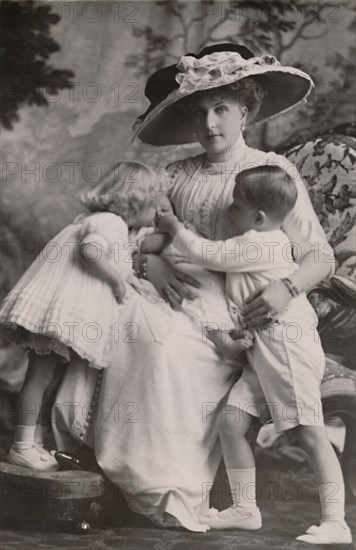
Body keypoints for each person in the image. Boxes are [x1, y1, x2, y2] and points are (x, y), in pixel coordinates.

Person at [51, 43, 337, 537]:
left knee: (160, 351)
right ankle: (82, 457)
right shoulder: (177, 174)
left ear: (245, 109)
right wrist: (152, 263)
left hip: (231, 313)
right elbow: (138, 234)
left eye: (222, 108)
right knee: (113, 317)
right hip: (166, 289)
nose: (210, 124)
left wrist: (287, 289)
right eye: (200, 112)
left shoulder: (270, 173)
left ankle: (155, 485)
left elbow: (320, 256)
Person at [157, 165, 352, 545]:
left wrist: (172, 227)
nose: (229, 209)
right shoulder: (261, 240)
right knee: (231, 423)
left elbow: (205, 252)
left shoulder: (257, 244)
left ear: (259, 218)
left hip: (287, 349)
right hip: (263, 350)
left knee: (309, 432)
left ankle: (336, 521)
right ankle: (245, 509)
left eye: (237, 204)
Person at [0, 161, 163, 471]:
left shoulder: (100, 221)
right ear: (136, 201)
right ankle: (21, 446)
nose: (157, 214)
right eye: (154, 206)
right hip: (59, 312)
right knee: (39, 376)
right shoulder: (111, 223)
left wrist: (131, 282)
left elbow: (116, 262)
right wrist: (115, 280)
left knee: (46, 376)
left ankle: (32, 441)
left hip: (62, 312)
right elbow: (91, 252)